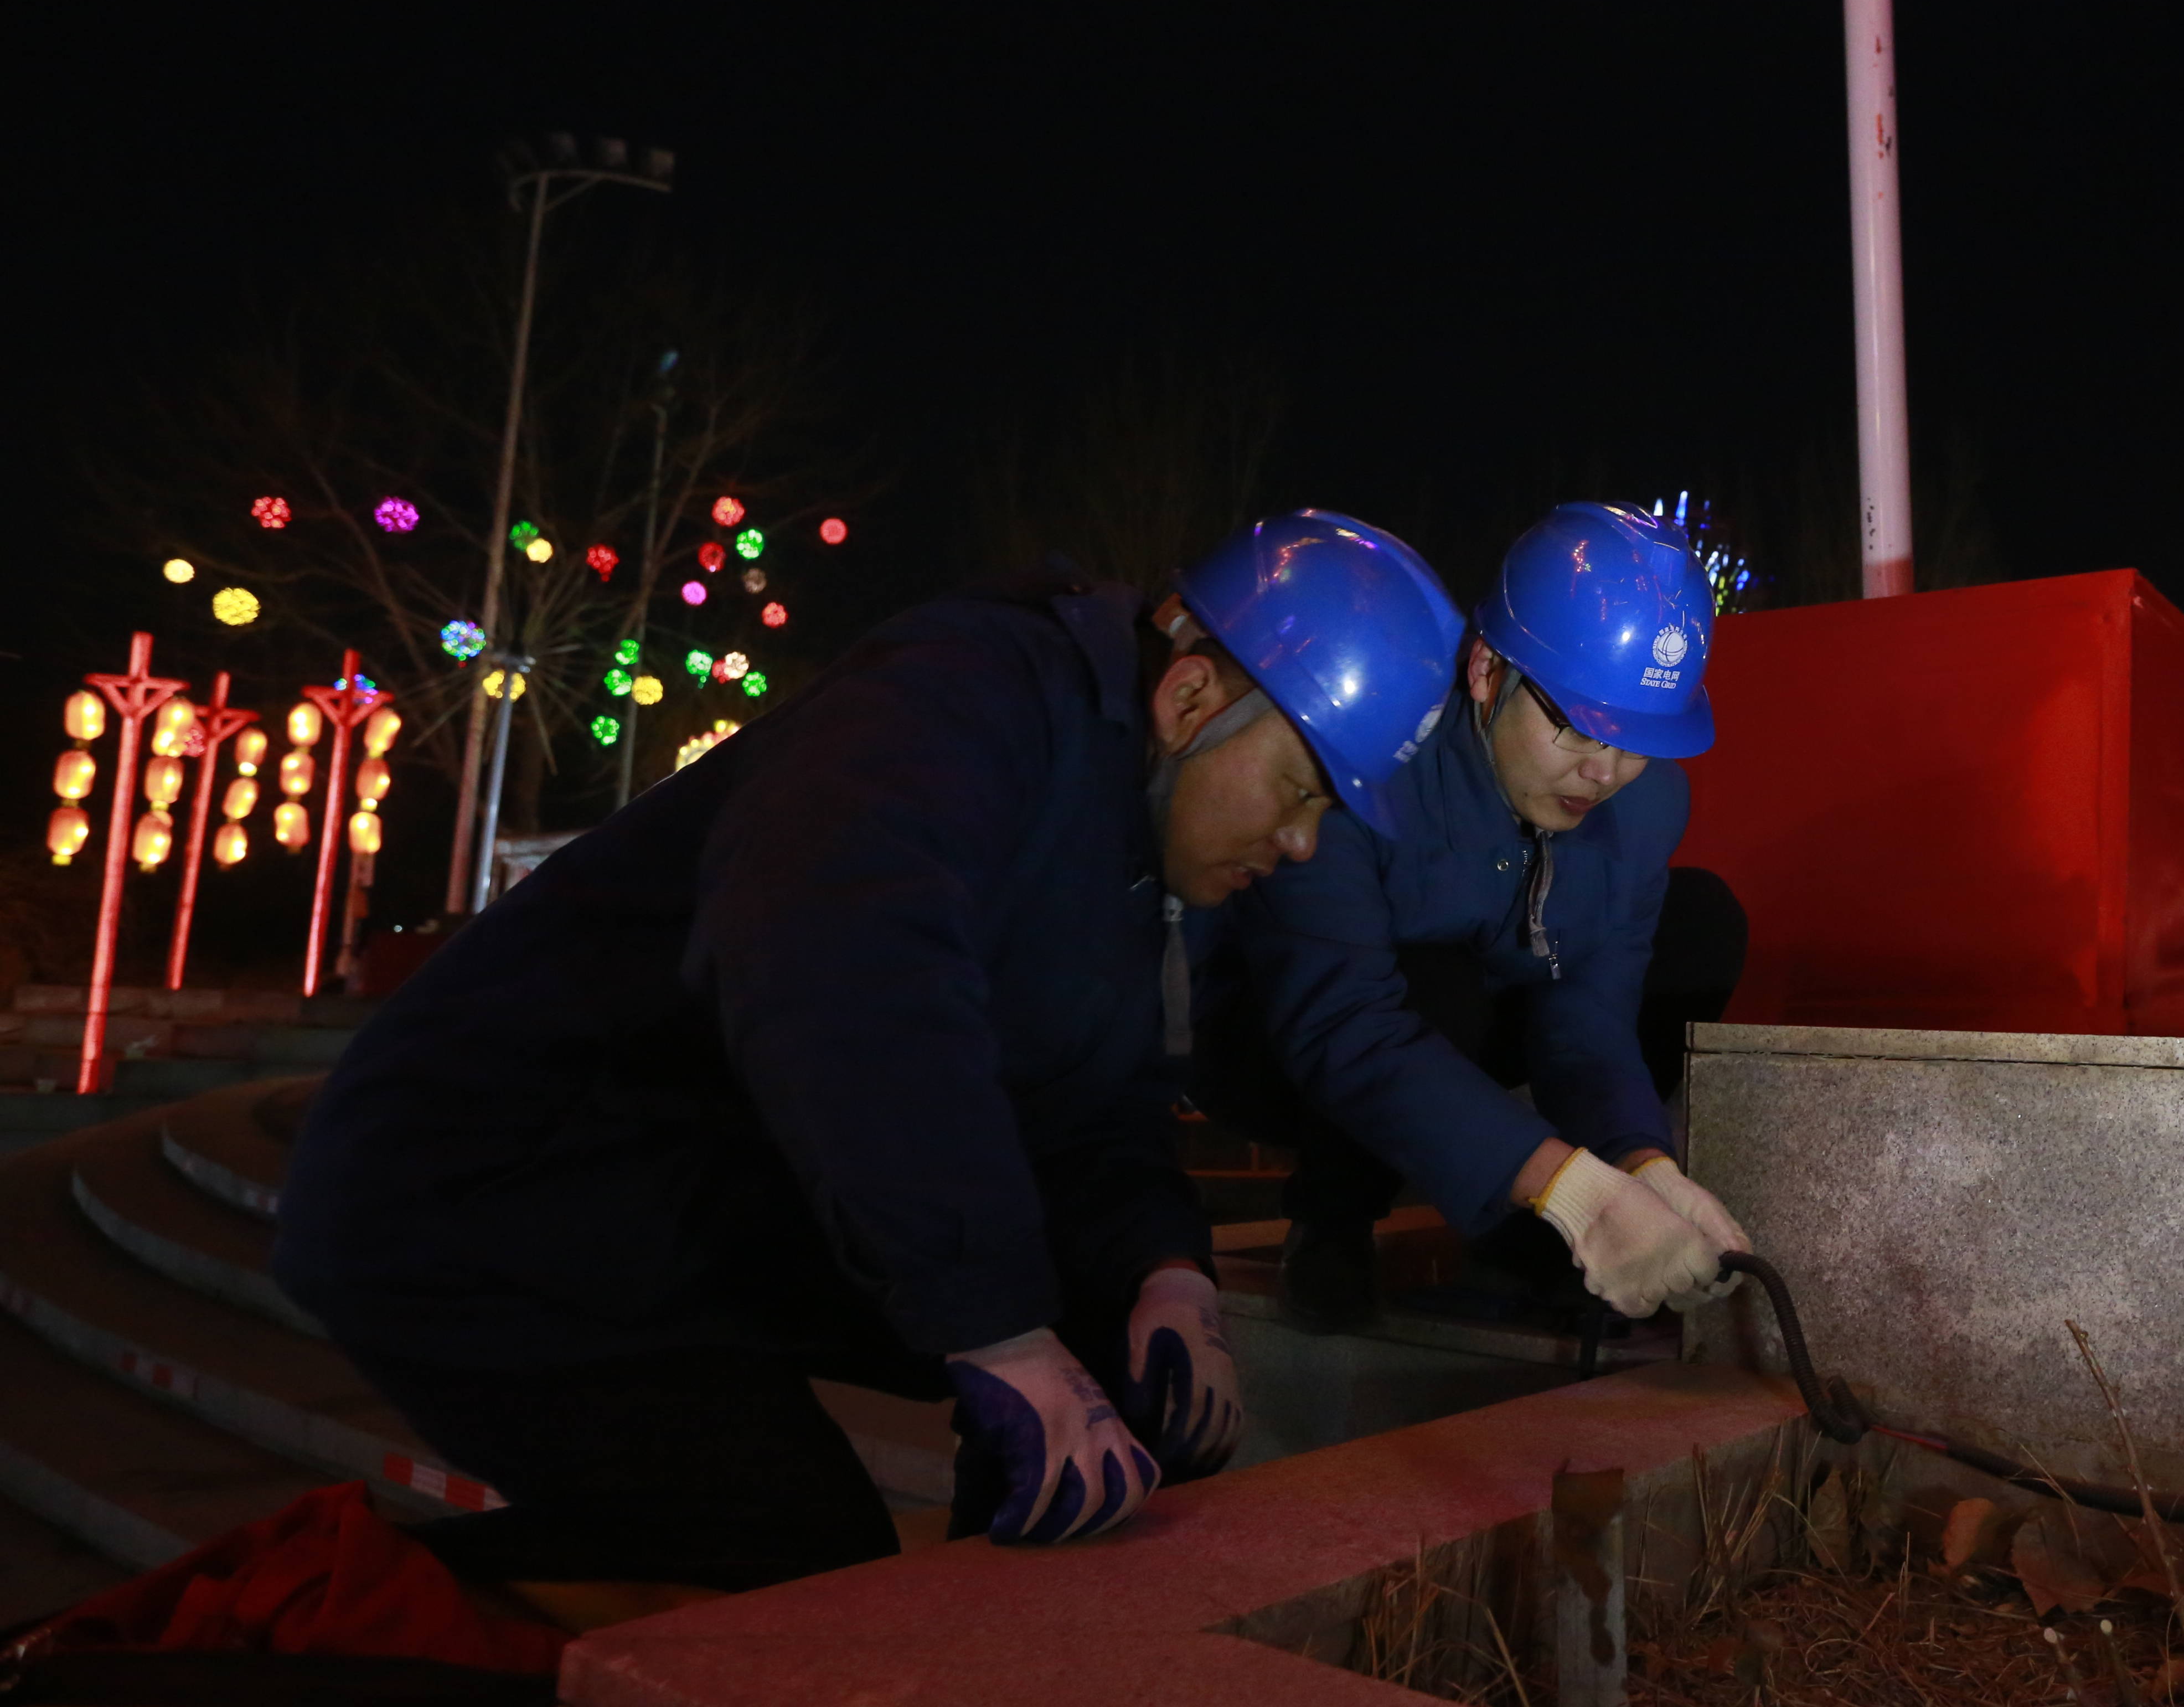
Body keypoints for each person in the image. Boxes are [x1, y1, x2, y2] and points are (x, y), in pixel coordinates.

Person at [273, 510, 1471, 1596]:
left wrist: (1167, 1270)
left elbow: (1099, 1101)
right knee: (785, 1566)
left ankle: (995, 1642)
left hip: (700, 1195)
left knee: (1103, 1341)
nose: (1303, 844)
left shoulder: (1135, 851)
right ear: (1195, 698)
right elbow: (846, 969)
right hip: (493, 1189)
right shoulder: (959, 697)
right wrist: (995, 1328)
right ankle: (278, 1622)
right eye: (1303, 790)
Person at [1191, 503, 1751, 1333]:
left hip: (1470, 1025)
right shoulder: (1377, 746)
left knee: (1699, 922)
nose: (1604, 773)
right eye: (1576, 725)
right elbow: (1340, 1018)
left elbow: (1589, 1019)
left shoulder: (1646, 801)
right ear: (1488, 671)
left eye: (1638, 739)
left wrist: (1641, 1164)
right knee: (1436, 984)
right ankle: (1334, 1220)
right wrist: (1570, 1190)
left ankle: (1532, 1232)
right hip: (1287, 1034)